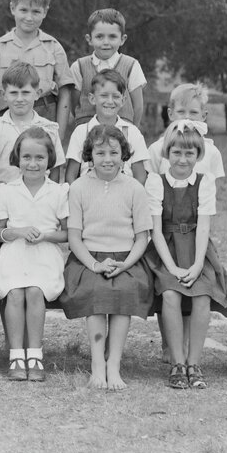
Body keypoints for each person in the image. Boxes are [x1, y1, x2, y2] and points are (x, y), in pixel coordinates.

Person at [146, 120, 227, 390]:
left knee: (201, 296)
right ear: (167, 153)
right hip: (167, 250)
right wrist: (172, 268)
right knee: (171, 294)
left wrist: (199, 264)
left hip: (197, 250)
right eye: (176, 153)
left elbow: (204, 229)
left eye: (189, 154)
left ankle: (193, 363)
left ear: (198, 155)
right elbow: (156, 231)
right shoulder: (156, 182)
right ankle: (177, 362)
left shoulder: (204, 182)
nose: (183, 159)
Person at [60, 124, 154, 390]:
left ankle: (114, 364)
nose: (108, 159)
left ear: (124, 155)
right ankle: (97, 365)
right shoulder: (78, 188)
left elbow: (142, 238)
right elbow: (75, 237)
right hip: (88, 259)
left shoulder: (134, 188)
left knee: (124, 292)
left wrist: (126, 263)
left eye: (114, 152)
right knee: (97, 293)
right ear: (90, 155)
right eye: (100, 153)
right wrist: (94, 264)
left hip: (127, 259)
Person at [0, 128, 68, 382]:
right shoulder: (6, 190)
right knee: (14, 292)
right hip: (14, 252)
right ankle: (16, 356)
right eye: (26, 157)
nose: (32, 163)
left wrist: (45, 235)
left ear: (49, 160)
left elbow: (67, 234)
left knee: (34, 290)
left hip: (46, 254)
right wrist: (18, 231)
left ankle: (35, 355)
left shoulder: (59, 191)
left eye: (39, 158)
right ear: (17, 158)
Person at [0, 0, 72, 140]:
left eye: (36, 11)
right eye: (24, 10)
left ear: (45, 12)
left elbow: (65, 92)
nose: (29, 17)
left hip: (44, 113)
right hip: (7, 115)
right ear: (13, 8)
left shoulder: (53, 47)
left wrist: (59, 135)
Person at [0, 62, 65, 184]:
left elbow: (55, 169)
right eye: (13, 93)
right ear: (4, 95)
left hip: (38, 194)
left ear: (37, 94)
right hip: (3, 193)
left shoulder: (49, 128)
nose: (19, 99)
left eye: (25, 93)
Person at [65, 70, 149, 184]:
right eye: (104, 95)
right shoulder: (81, 132)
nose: (110, 101)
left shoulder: (132, 132)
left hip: (124, 196)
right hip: (88, 196)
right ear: (92, 98)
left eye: (115, 96)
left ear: (123, 100)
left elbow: (140, 176)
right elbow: (71, 176)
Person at [68, 8, 146, 130]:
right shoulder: (79, 66)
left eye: (112, 37)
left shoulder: (131, 65)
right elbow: (74, 103)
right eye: (99, 36)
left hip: (121, 129)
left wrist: (132, 130)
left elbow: (138, 106)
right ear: (89, 39)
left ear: (122, 39)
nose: (106, 42)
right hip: (87, 129)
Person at [147, 83, 225, 180]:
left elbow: (215, 188)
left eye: (193, 112)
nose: (187, 117)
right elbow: (149, 184)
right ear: (170, 114)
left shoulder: (212, 152)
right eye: (181, 112)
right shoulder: (156, 149)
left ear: (204, 116)